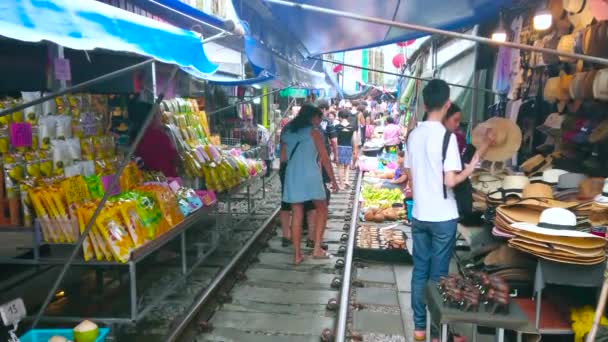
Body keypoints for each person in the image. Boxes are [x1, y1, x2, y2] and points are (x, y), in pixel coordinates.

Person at [405, 79, 480, 341]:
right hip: (443, 218)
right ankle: (438, 334)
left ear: (425, 104)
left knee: (419, 272)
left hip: (420, 214)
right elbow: (450, 181)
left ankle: (418, 328)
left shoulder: (413, 134)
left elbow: (410, 175)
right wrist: (469, 169)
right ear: (447, 104)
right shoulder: (447, 137)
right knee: (438, 276)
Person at [281, 104, 338, 264]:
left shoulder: (288, 132)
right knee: (322, 209)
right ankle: (317, 248)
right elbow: (325, 158)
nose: (319, 121)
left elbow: (283, 158)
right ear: (312, 117)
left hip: (293, 175)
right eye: (318, 117)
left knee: (297, 214)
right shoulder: (314, 133)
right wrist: (333, 180)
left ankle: (297, 255)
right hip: (311, 175)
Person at [135, 109, 178, 177]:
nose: (161, 118)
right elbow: (173, 156)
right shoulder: (162, 136)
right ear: (153, 118)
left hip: (149, 177)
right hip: (165, 176)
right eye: (159, 115)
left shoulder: (141, 136)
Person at [335, 109, 358, 189]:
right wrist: (355, 149)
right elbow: (354, 139)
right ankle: (347, 180)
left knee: (340, 167)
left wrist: (334, 151)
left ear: (340, 117)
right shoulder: (352, 127)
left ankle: (341, 184)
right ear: (347, 117)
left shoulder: (337, 127)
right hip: (348, 147)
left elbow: (335, 140)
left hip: (339, 147)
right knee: (347, 165)